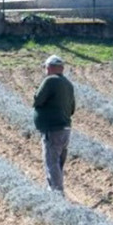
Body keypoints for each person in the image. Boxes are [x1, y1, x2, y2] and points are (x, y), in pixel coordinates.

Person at [33, 54, 75, 194]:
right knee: (58, 163)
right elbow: (72, 108)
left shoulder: (50, 81)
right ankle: (56, 190)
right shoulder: (68, 84)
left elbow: (37, 100)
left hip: (53, 129)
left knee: (52, 162)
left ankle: (57, 193)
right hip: (66, 129)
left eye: (45, 67)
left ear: (49, 68)